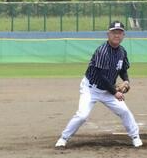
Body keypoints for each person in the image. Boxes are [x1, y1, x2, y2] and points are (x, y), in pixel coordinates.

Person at [55, 21, 142, 149]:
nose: (116, 35)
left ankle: (135, 137)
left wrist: (126, 81)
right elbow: (102, 77)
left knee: (124, 111)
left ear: (123, 35)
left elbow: (123, 70)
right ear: (108, 34)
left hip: (108, 90)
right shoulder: (103, 51)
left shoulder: (122, 51)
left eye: (119, 33)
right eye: (114, 32)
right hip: (91, 89)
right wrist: (115, 92)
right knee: (82, 115)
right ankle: (63, 138)